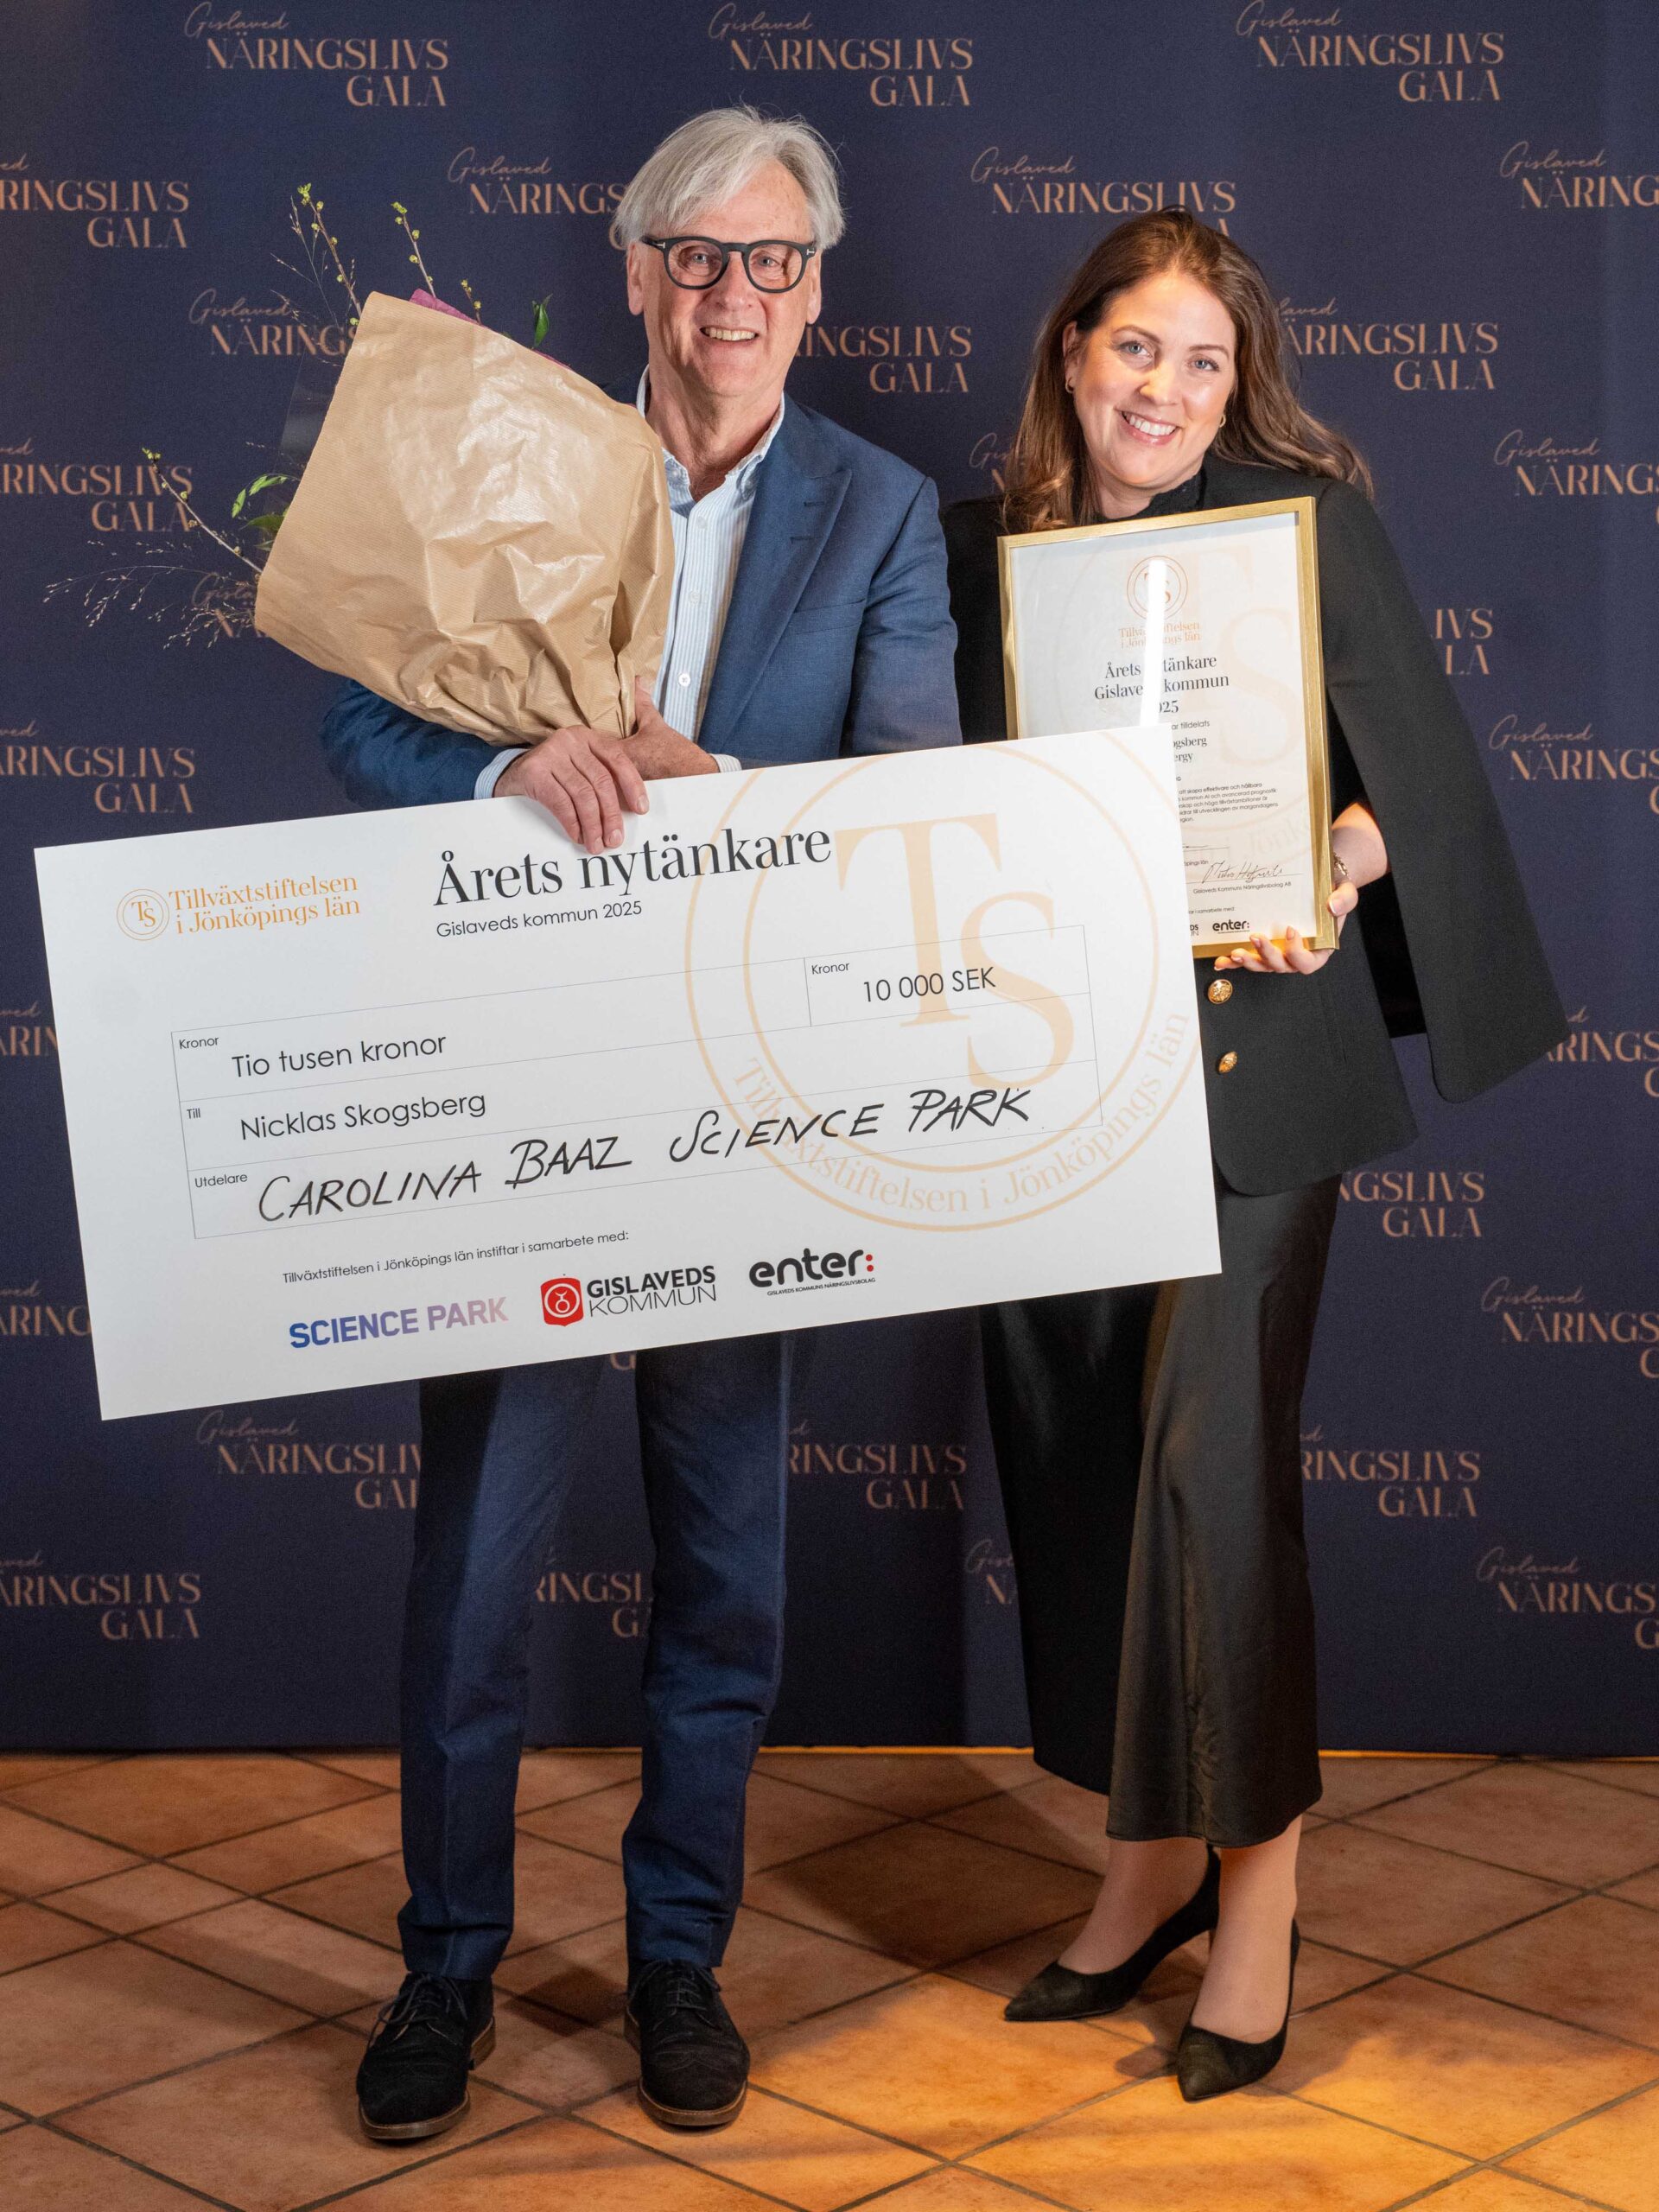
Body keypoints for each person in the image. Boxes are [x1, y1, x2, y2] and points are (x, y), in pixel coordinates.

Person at [321, 105, 958, 2143]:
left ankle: (680, 1953)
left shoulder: (879, 511)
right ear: (634, 273)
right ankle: (446, 1961)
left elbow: (914, 796)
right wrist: (498, 767)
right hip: (515, 1089)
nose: (731, 293)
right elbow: (356, 707)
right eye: (696, 253)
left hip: (742, 1105)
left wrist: (721, 798)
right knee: (471, 1574)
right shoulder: (514, 458)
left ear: (815, 289)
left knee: (726, 1570)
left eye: (771, 259)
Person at [944, 209, 1562, 2101]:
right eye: (1138, 347)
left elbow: (1418, 786)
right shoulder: (973, 553)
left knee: (1210, 1478)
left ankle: (1262, 1897)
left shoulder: (1304, 526)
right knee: (1079, 1466)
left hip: (1257, 1068)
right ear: (1071, 353)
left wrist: (1329, 864)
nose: (1168, 389)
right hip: (1050, 1081)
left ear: (1238, 389)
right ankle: (1141, 1868)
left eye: (1205, 362)